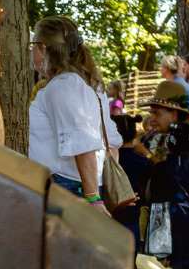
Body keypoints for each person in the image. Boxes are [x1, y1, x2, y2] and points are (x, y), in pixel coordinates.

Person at [28, 16, 110, 204]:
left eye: (33, 46)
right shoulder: (71, 82)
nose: (31, 51)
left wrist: (93, 199)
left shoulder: (64, 85)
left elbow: (82, 144)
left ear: (43, 49)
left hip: (64, 188)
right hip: (67, 185)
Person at [139, 80, 189, 269]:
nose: (151, 120)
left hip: (179, 214)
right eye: (151, 113)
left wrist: (149, 160)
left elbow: (183, 174)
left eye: (156, 113)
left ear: (174, 114)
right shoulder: (156, 139)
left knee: (179, 257)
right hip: (158, 211)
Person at [112, 114, 151, 249]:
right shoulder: (144, 162)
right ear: (135, 134)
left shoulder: (107, 161)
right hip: (132, 219)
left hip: (109, 216)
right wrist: (148, 154)